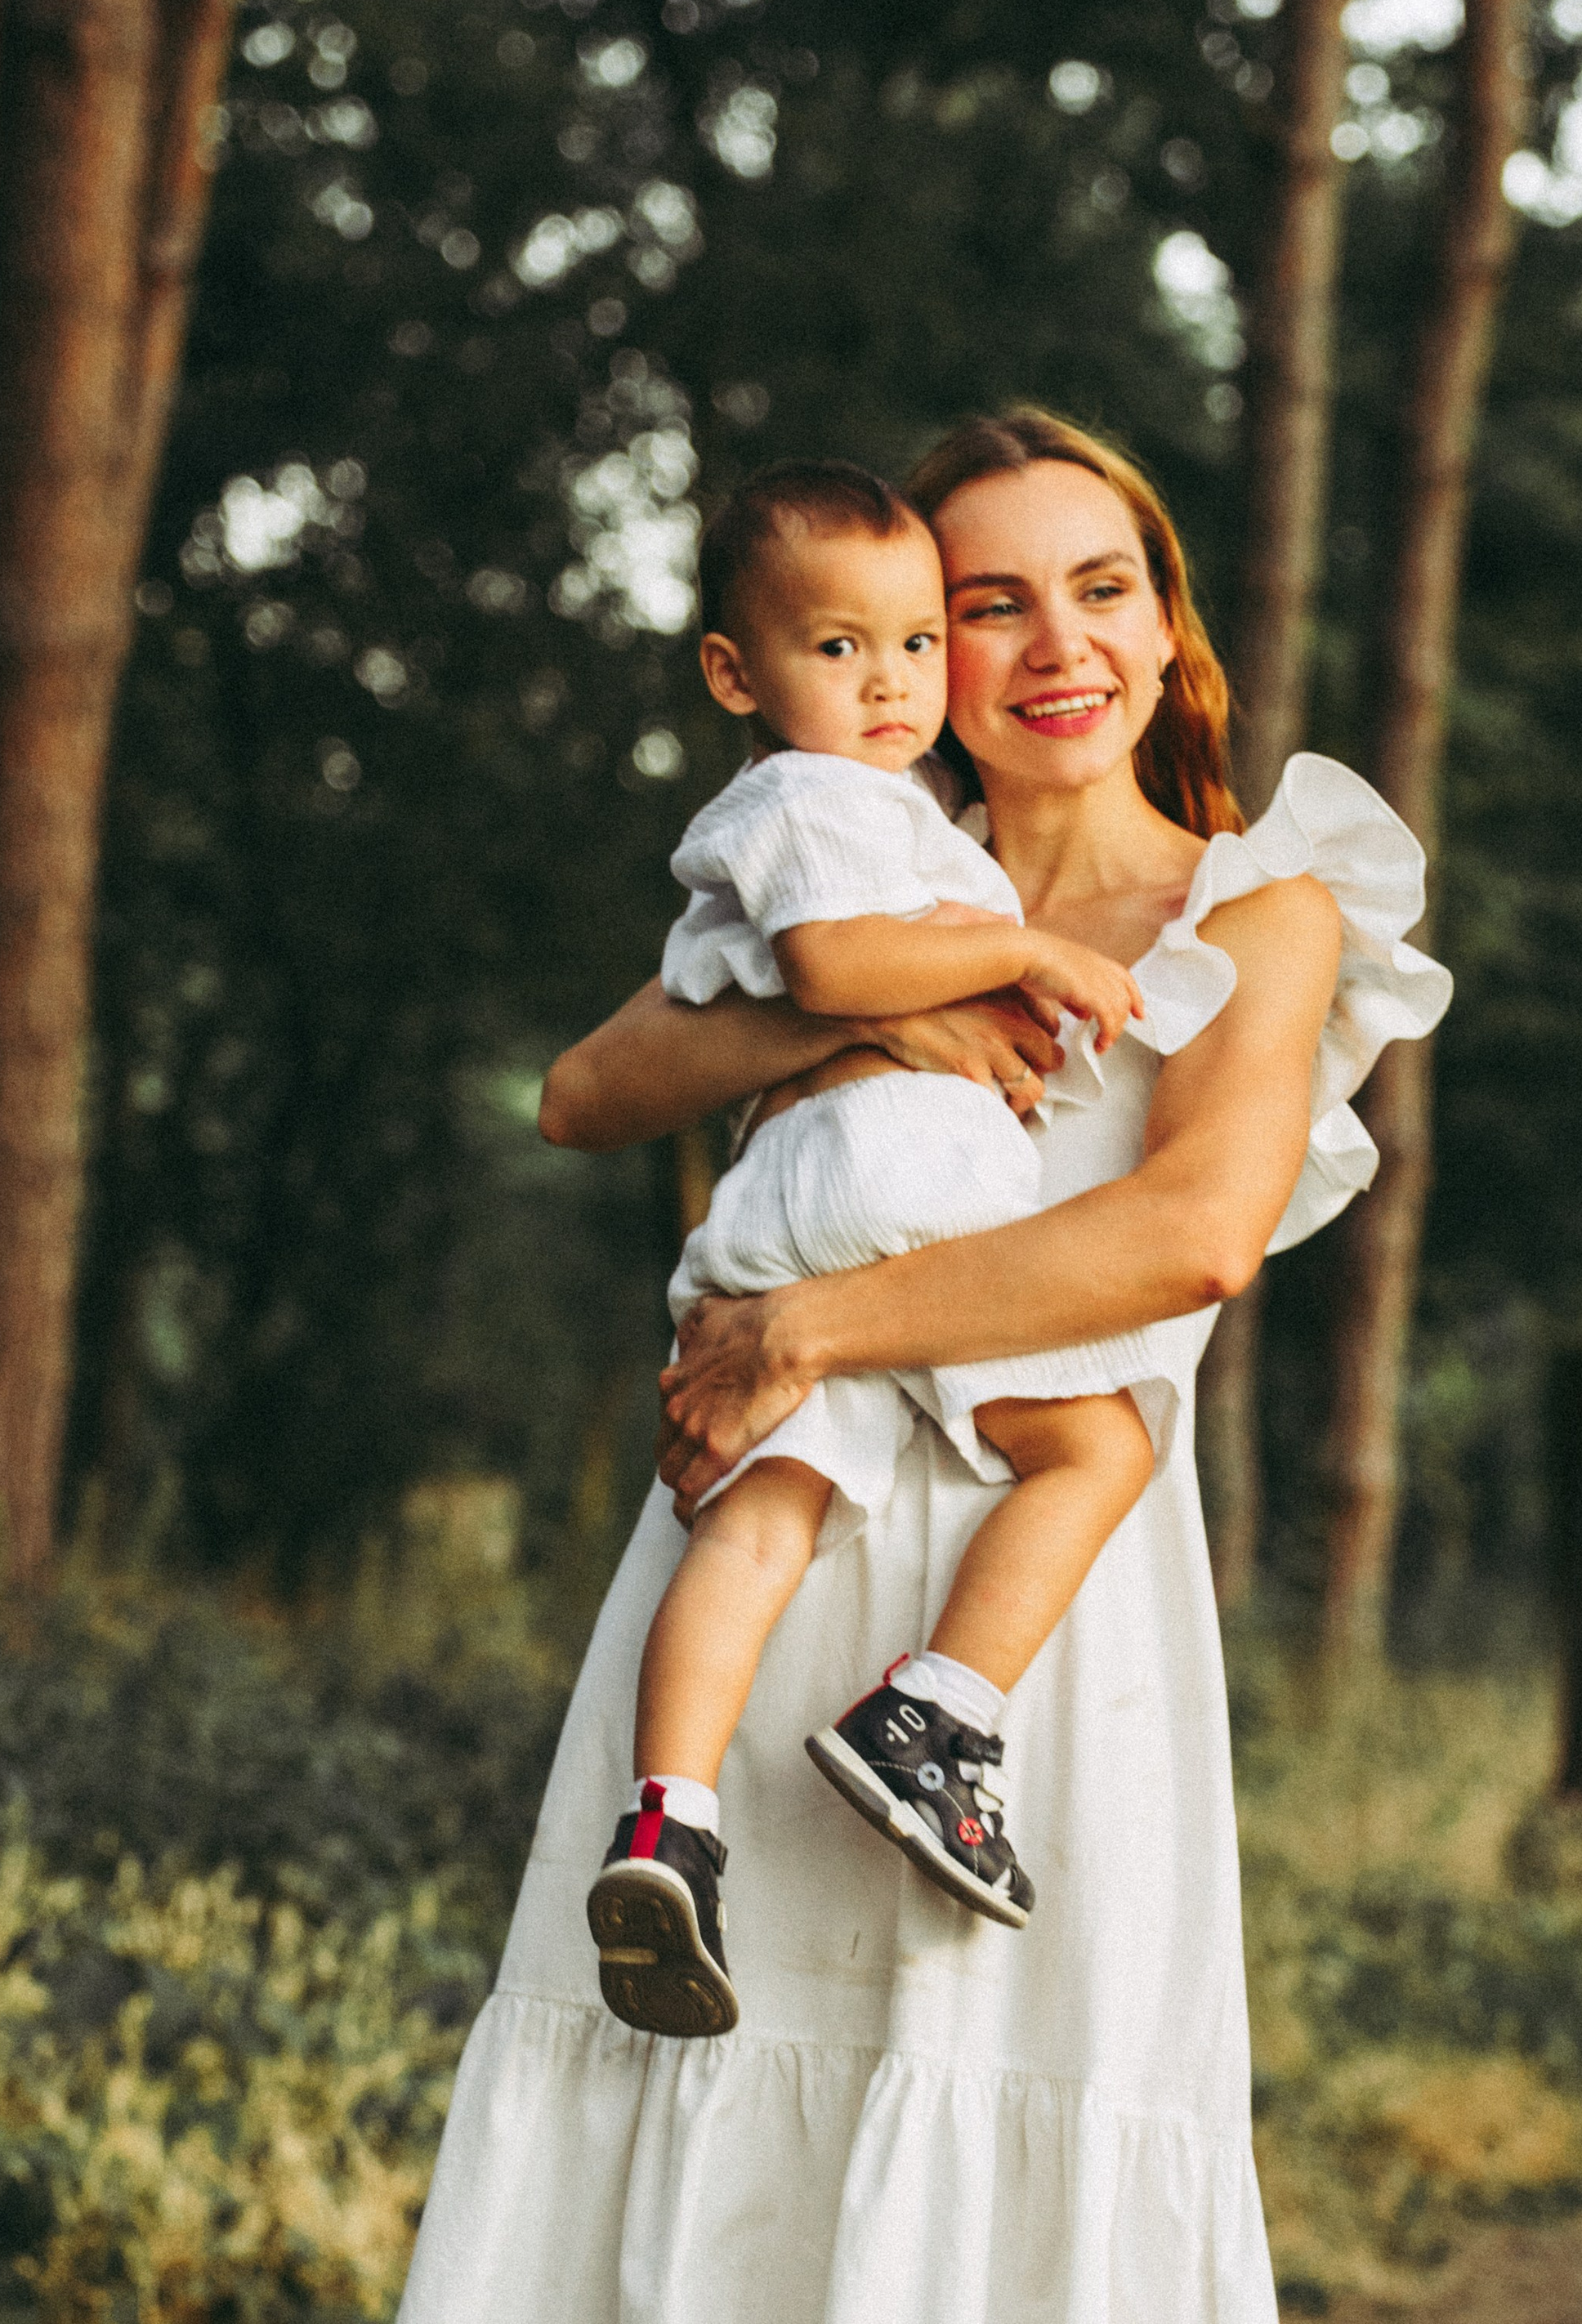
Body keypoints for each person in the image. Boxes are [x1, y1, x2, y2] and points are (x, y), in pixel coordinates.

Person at [398, 408, 1451, 2324]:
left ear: (1166, 625)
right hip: (770, 1565)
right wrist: (875, 998)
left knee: (1009, 2105)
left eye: (1102, 589)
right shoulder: (847, 874)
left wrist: (809, 1322)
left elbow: (1187, 1234)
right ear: (897, 641)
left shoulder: (1254, 906)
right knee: (698, 2107)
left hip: (1021, 1634)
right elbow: (586, 1091)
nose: (1058, 647)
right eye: (988, 605)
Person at [592, 454, 1167, 2035]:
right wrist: (1022, 947)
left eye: (915, 642)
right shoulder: (822, 801)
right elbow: (823, 966)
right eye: (846, 648)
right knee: (1098, 1450)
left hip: (795, 1212)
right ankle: (938, 1713)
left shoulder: (865, 807)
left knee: (763, 1520)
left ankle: (670, 1825)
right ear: (736, 673)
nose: (892, 679)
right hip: (900, 1185)